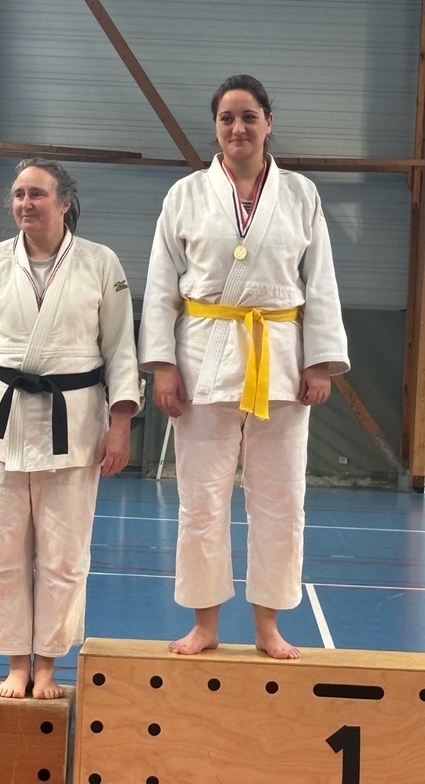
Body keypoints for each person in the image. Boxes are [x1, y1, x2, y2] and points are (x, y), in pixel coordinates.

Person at [138, 74, 349, 660]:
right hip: (201, 360)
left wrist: (320, 363)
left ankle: (267, 627)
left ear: (268, 123)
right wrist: (162, 367)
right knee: (201, 500)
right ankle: (205, 624)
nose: (238, 128)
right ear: (216, 127)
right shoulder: (185, 195)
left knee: (280, 500)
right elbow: (161, 285)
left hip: (280, 361)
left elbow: (320, 283)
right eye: (227, 118)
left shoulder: (301, 194)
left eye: (249, 116)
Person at [0, 158, 140, 698]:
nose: (26, 203)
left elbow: (121, 348)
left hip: (75, 426)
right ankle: (14, 663)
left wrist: (120, 424)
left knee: (63, 556)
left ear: (64, 202)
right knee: (0, 555)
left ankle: (46, 663)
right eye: (20, 194)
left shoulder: (100, 263)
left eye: (37, 193)